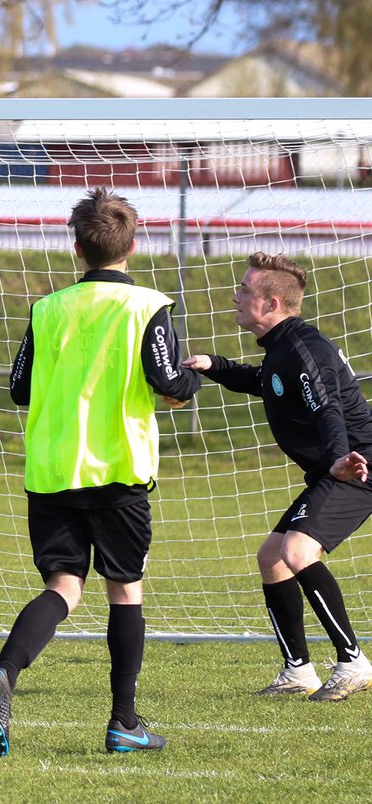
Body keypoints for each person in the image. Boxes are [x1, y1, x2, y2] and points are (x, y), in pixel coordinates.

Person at [0, 187, 200, 757]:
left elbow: (19, 388)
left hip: (53, 470)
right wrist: (192, 379)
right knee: (124, 589)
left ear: (77, 247)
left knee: (63, 587)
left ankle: (6, 671)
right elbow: (168, 382)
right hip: (118, 469)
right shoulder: (147, 306)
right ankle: (124, 722)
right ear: (133, 245)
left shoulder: (48, 308)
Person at [182, 251, 372, 702]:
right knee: (272, 557)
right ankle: (298, 670)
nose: (235, 296)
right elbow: (266, 381)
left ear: (271, 303)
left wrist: (338, 461)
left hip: (357, 465)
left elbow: (327, 409)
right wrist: (215, 365)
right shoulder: (282, 348)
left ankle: (352, 662)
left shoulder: (305, 350)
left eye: (244, 289)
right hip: (337, 465)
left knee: (297, 550)